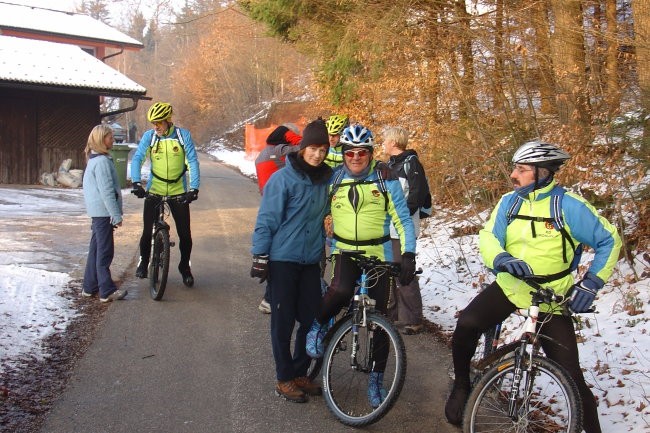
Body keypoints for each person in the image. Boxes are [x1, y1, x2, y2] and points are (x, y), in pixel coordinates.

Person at [444, 140, 622, 432]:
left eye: (522, 169)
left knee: (573, 379)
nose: (514, 175)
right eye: (515, 167)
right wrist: (500, 257)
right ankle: (462, 386)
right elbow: (489, 236)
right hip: (511, 286)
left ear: (542, 173)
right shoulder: (509, 202)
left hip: (551, 295)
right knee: (466, 324)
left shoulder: (568, 206)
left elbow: (609, 240)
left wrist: (591, 283)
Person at [306, 123, 417, 408]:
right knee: (341, 289)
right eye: (350, 152)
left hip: (377, 251)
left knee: (381, 319)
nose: (355, 157)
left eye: (361, 153)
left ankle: (376, 379)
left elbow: (403, 220)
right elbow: (315, 212)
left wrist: (408, 255)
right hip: (344, 249)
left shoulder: (385, 179)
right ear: (343, 154)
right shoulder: (334, 180)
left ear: (370, 154)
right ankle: (318, 326)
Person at [250, 119, 333, 403]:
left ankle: (300, 373)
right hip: (283, 260)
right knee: (283, 323)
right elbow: (267, 219)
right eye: (313, 148)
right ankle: (284, 378)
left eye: (323, 149)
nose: (318, 154)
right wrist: (260, 255)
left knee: (311, 322)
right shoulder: (283, 179)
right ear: (302, 147)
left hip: (310, 261)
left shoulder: (325, 180)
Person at [131, 102, 201, 287]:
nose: (156, 127)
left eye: (159, 123)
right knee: (147, 232)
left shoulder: (182, 136)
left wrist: (194, 189)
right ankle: (144, 262)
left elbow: (192, 162)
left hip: (178, 191)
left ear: (168, 120)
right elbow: (138, 158)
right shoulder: (150, 137)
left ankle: (185, 267)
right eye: (153, 123)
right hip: (155, 189)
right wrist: (136, 182)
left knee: (185, 235)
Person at [383, 126, 431, 335]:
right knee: (392, 269)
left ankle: (412, 319)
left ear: (393, 142)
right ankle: (394, 314)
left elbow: (417, 194)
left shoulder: (411, 163)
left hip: (403, 228)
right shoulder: (391, 165)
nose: (383, 144)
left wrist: (400, 217)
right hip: (391, 228)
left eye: (385, 140)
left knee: (404, 271)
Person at [254, 123, 302, 314]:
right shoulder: (281, 150)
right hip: (283, 209)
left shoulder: (264, 152)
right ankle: (269, 298)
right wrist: (291, 135)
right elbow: (306, 146)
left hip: (270, 205)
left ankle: (272, 296)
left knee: (276, 253)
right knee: (283, 255)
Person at [81, 124, 128, 303]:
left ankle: (89, 286)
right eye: (109, 137)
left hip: (98, 212)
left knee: (96, 250)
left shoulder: (94, 159)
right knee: (105, 252)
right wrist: (116, 215)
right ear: (101, 140)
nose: (113, 139)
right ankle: (106, 291)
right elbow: (107, 192)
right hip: (103, 213)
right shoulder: (101, 162)